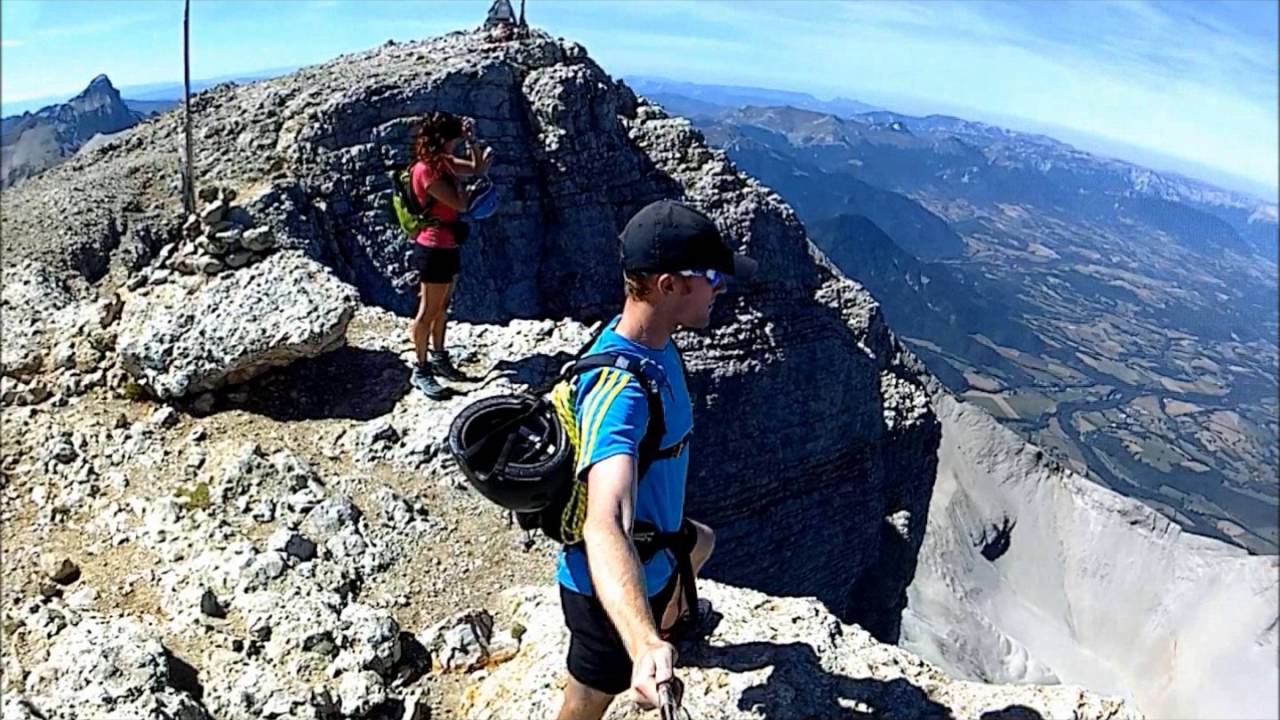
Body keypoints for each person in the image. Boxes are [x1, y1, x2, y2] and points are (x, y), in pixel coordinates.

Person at [555, 200, 757, 720]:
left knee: (702, 541)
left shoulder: (655, 344)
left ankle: (671, 619)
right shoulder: (620, 390)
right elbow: (605, 522)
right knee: (584, 705)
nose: (720, 288)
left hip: (659, 546)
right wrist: (643, 643)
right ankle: (651, 635)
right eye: (711, 276)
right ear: (669, 286)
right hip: (606, 590)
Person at [407, 111, 493, 399]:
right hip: (432, 247)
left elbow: (476, 168)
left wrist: (472, 142)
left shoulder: (442, 163)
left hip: (447, 244)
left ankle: (440, 357)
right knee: (428, 311)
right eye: (456, 138)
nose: (457, 144)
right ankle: (420, 368)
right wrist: (473, 191)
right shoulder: (427, 170)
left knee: (442, 306)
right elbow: (460, 203)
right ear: (445, 139)